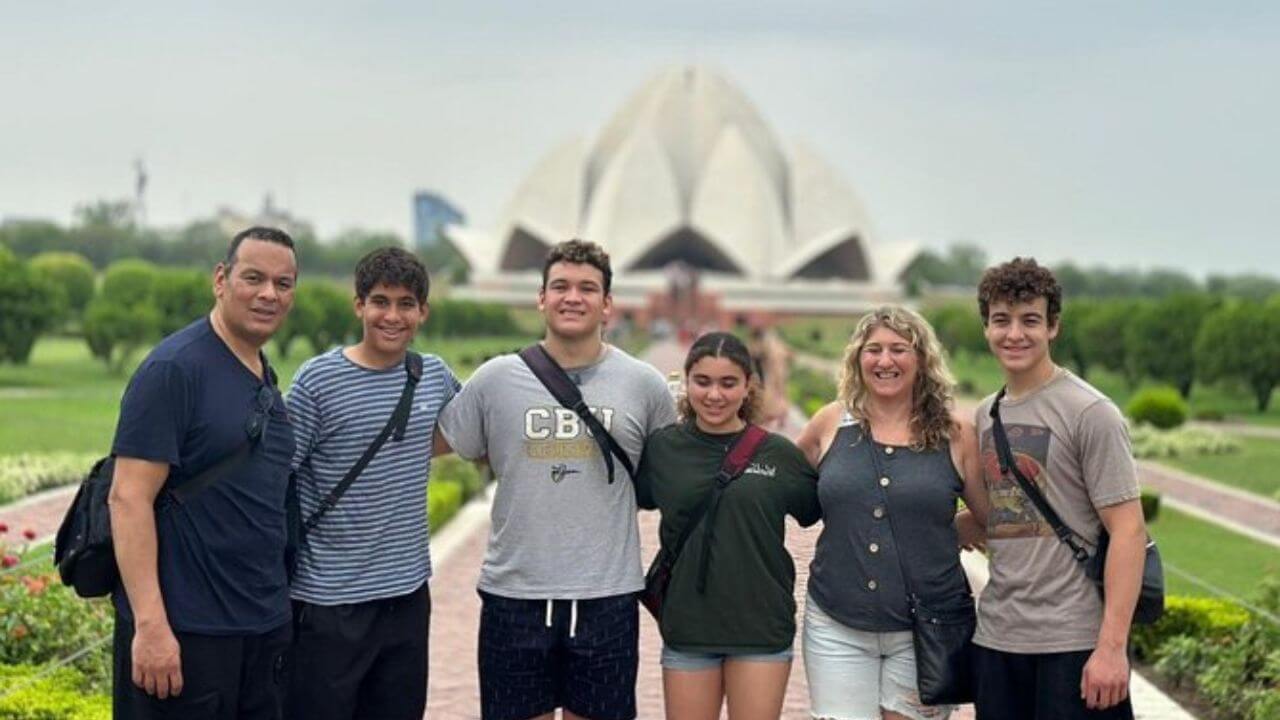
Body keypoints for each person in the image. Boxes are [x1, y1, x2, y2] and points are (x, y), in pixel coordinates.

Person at [436, 239, 677, 720]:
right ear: (541, 297)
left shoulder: (644, 384)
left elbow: (677, 474)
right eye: (561, 286)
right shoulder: (495, 380)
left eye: (588, 288)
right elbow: (432, 445)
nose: (573, 297)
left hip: (606, 598)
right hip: (515, 596)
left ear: (607, 304)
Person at [109, 226, 298, 719]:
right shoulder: (174, 370)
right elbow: (127, 499)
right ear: (221, 278)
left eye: (283, 284)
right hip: (186, 637)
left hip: (259, 631)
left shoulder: (262, 375)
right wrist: (151, 627)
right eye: (253, 278)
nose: (268, 294)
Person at [284, 247, 460, 719]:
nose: (393, 315)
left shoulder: (434, 377)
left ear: (423, 311)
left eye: (406, 304)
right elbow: (277, 473)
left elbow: (474, 433)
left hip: (405, 599)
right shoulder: (317, 382)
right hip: (327, 603)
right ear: (358, 304)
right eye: (380, 301)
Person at [971, 258, 1147, 719]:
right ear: (986, 327)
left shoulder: (1090, 412)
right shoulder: (986, 415)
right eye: (1001, 320)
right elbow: (1001, 517)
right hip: (999, 639)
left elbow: (1128, 531)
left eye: (1030, 320)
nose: (1015, 334)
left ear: (1053, 328)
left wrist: (1111, 649)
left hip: (1073, 644)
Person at [795, 305, 987, 720]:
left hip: (926, 630)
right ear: (857, 358)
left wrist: (945, 531)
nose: (885, 361)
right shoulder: (829, 423)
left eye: (899, 349)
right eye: (874, 349)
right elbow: (776, 487)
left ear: (921, 360)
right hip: (835, 624)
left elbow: (992, 517)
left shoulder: (955, 435)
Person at [635, 332, 820, 720]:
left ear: (748, 386)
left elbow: (822, 508)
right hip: (689, 627)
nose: (714, 395)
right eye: (703, 381)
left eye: (728, 383)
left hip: (760, 627)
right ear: (686, 382)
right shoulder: (663, 449)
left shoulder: (779, 455)